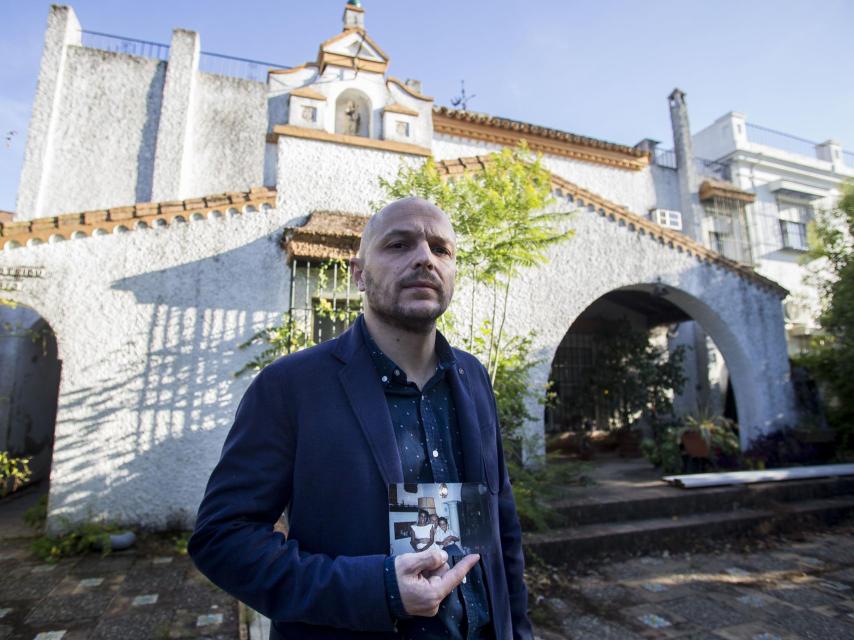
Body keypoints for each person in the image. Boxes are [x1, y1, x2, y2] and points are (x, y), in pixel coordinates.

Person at [188, 197, 533, 639]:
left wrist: (518, 630)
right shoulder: (290, 386)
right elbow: (224, 539)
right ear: (358, 274)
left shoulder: (474, 378)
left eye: (440, 249)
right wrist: (380, 589)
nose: (424, 258)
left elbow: (501, 526)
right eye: (398, 245)